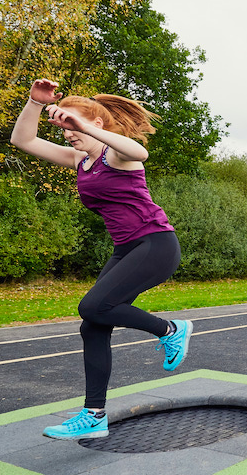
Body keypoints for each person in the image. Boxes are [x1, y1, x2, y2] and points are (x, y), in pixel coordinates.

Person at [10, 79, 194, 440]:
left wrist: (83, 125)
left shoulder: (117, 155)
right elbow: (23, 141)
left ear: (97, 125)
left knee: (92, 305)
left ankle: (171, 330)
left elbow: (139, 153)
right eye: (63, 129)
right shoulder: (82, 160)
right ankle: (93, 416)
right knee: (92, 324)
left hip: (155, 244)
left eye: (72, 127)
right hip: (127, 249)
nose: (67, 134)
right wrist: (34, 102)